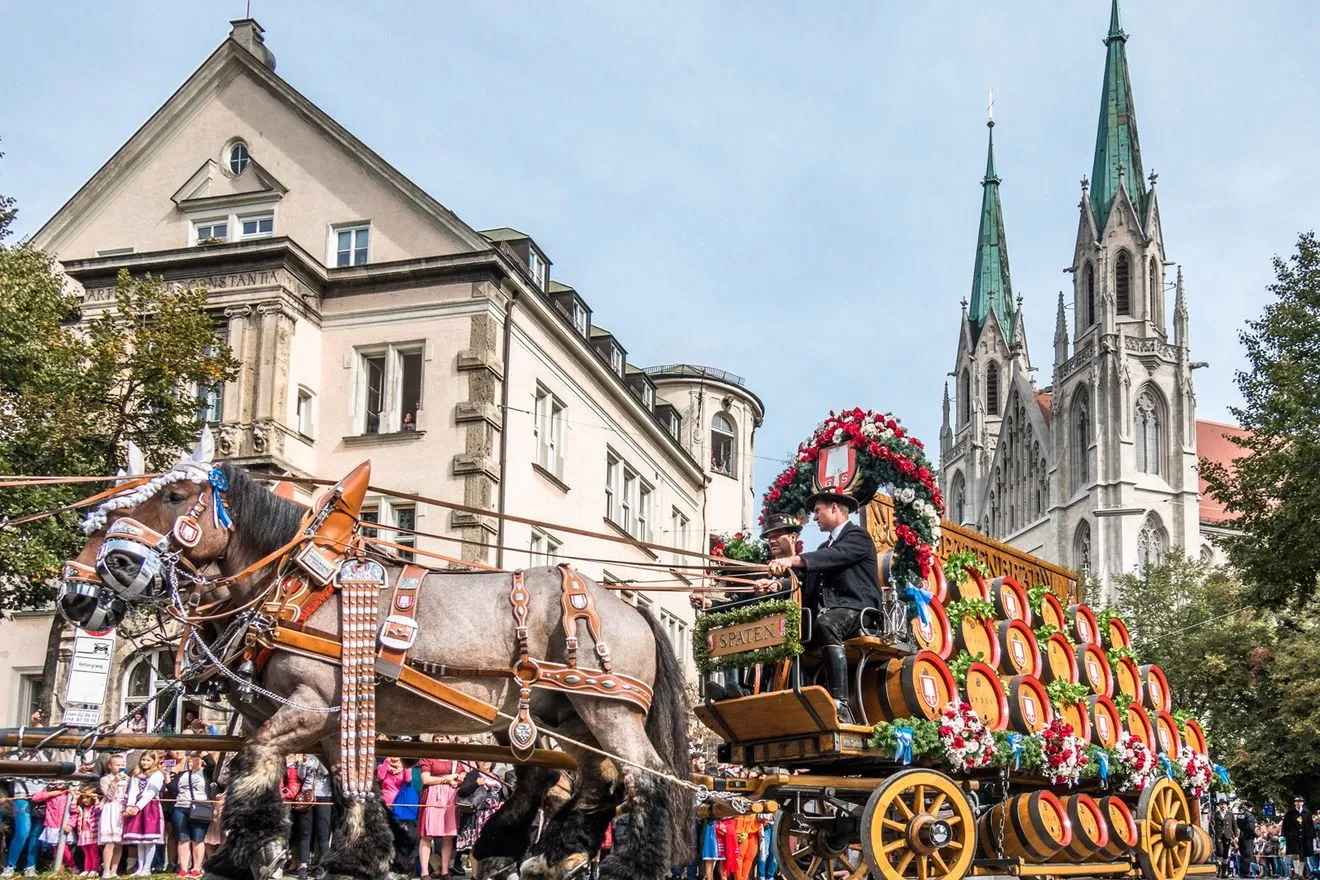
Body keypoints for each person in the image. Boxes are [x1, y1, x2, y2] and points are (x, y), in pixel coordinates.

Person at [768, 490, 880, 725]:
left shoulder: (857, 537)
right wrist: (775, 584)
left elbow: (835, 556)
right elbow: (806, 582)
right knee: (779, 631)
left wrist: (792, 560)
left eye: (818, 511)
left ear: (835, 508)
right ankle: (770, 696)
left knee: (826, 625)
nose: (815, 517)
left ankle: (841, 703)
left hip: (860, 610)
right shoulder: (823, 548)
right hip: (832, 611)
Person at [418, 755, 467, 880]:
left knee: (448, 835)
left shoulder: (455, 760)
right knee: (427, 835)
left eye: (443, 739)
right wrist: (447, 778)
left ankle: (445, 871)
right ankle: (424, 873)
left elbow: (463, 778)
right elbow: (426, 779)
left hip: (450, 797)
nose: (440, 741)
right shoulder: (428, 758)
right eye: (437, 739)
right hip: (432, 795)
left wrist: (456, 780)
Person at [122, 750, 166, 877]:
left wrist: (138, 806)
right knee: (140, 840)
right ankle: (139, 867)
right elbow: (132, 790)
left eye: (148, 760)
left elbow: (150, 793)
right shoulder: (137, 774)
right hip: (137, 806)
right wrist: (130, 805)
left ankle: (147, 867)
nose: (145, 762)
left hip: (150, 807)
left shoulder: (157, 774)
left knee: (149, 840)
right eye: (143, 759)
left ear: (154, 761)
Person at [3, 755, 47, 878]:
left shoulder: (45, 755)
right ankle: (10, 866)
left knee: (35, 835)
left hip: (42, 797)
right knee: (23, 832)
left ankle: (31, 866)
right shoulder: (15, 755)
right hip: (22, 796)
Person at [291, 754, 333, 879]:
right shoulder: (308, 755)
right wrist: (304, 763)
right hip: (307, 795)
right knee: (305, 833)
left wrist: (318, 759)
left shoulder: (328, 756)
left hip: (324, 796)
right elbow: (301, 775)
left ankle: (323, 866)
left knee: (323, 834)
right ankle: (303, 865)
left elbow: (326, 772)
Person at [173, 752, 210, 878]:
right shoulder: (182, 775)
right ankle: (183, 869)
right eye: (190, 758)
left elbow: (212, 764)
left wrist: (202, 752)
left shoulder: (206, 772)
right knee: (183, 838)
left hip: (199, 807)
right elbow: (173, 788)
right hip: (180, 807)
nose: (191, 760)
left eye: (195, 758)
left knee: (198, 838)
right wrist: (167, 776)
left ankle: (196, 868)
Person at [100, 753, 129, 878]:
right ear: (110, 766)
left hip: (122, 809)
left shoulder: (128, 778)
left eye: (122, 765)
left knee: (119, 842)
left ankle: (114, 870)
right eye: (117, 765)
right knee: (110, 842)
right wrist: (114, 781)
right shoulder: (105, 779)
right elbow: (109, 796)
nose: (120, 767)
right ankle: (106, 869)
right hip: (111, 809)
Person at [70, 786, 103, 878]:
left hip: (93, 834)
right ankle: (87, 869)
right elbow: (72, 809)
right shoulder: (81, 808)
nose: (85, 800)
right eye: (83, 798)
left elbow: (98, 810)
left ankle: (95, 869)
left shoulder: (94, 808)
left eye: (87, 797)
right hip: (83, 834)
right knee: (87, 853)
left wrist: (96, 799)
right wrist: (75, 798)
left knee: (94, 853)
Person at [1283, 798, 1314, 878]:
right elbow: (1285, 824)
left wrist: (1311, 835)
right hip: (1293, 837)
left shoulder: (1307, 812)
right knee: (1295, 853)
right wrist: (1286, 834)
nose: (1298, 803)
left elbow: (1310, 825)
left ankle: (1300, 874)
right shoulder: (1290, 813)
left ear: (1303, 803)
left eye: (1300, 801)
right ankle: (1296, 872)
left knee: (1302, 855)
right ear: (1294, 803)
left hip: (1304, 837)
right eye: (1297, 801)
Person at [1240, 803, 1260, 879]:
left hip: (1241, 837)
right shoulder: (1250, 815)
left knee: (1242, 855)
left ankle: (1242, 872)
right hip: (1248, 838)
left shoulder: (1240, 815)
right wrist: (1256, 835)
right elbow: (1251, 828)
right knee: (1248, 855)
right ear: (1251, 807)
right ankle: (1246, 873)